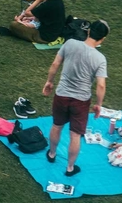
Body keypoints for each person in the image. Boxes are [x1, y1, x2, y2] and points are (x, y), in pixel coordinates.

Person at [42, 19, 110, 178]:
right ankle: (70, 167)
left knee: (57, 126)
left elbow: (55, 64)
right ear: (102, 39)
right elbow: (101, 85)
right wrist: (99, 104)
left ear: (88, 31)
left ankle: (52, 154)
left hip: (62, 95)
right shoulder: (100, 58)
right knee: (75, 135)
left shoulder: (70, 43)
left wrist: (49, 82)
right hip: (81, 101)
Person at [0, 0, 66, 42]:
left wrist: (38, 0)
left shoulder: (48, 5)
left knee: (13, 25)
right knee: (26, 19)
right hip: (54, 32)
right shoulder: (59, 0)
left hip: (45, 36)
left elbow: (27, 13)